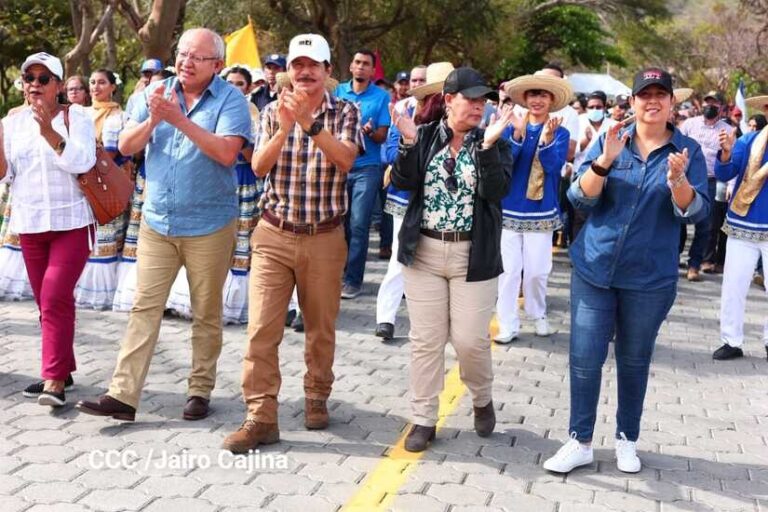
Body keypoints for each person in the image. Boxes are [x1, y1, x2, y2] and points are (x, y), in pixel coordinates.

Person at [76, 28, 251, 422]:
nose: (186, 61)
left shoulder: (231, 99)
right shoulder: (153, 93)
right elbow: (126, 147)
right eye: (182, 53)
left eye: (197, 57)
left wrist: (178, 119)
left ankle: (199, 389)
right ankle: (123, 395)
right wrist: (156, 118)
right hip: (158, 220)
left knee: (205, 312)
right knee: (144, 307)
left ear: (217, 65)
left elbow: (227, 153)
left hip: (210, 224)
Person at [543, 68, 710, 474]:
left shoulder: (687, 150)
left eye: (660, 95)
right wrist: (604, 160)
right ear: (632, 101)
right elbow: (578, 199)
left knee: (634, 360)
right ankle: (580, 441)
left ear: (672, 103)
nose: (652, 101)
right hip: (594, 268)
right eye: (644, 95)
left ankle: (626, 439)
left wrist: (678, 181)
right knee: (584, 358)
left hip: (649, 279)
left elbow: (696, 211)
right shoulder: (612, 138)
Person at [221, 33, 362, 454]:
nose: (303, 72)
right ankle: (261, 417)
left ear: (327, 72)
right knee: (261, 329)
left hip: (324, 237)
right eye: (297, 65)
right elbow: (259, 166)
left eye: (312, 65)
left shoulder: (346, 112)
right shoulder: (270, 111)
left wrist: (310, 124)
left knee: (320, 329)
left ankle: (317, 395)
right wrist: (284, 127)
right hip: (273, 234)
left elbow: (346, 160)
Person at [391, 67, 513, 452]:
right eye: (471, 99)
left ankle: (481, 397)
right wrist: (408, 143)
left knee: (469, 341)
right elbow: (402, 182)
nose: (478, 107)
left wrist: (490, 148)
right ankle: (423, 419)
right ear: (448, 100)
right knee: (425, 341)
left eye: (483, 101)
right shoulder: (424, 136)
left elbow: (497, 191)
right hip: (424, 252)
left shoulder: (493, 141)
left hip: (472, 257)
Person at [1, 52, 97, 406]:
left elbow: (82, 161)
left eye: (44, 79)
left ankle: (53, 380)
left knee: (55, 297)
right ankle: (65, 367)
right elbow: (6, 175)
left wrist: (47, 130)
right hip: (30, 223)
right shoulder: (11, 123)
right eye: (30, 78)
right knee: (47, 302)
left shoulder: (79, 116)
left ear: (58, 85)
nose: (36, 85)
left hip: (71, 222)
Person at [374, 63, 454, 341]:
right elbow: (389, 153)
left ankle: (436, 323)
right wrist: (413, 140)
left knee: (437, 260)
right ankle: (385, 317)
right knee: (400, 257)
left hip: (442, 200)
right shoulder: (404, 111)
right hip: (406, 195)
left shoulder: (462, 117)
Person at [494, 73, 572, 343]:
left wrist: (548, 140)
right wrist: (516, 133)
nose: (537, 100)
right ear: (524, 99)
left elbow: (554, 167)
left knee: (538, 270)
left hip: (541, 209)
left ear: (551, 100)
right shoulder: (511, 127)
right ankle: (507, 323)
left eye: (543, 95)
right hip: (509, 209)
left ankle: (537, 313)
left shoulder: (561, 132)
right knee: (508, 271)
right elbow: (505, 162)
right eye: (532, 95)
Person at [711, 94, 768, 361]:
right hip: (742, 225)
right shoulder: (748, 140)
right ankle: (731, 341)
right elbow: (724, 174)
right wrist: (725, 152)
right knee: (734, 286)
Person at [334, 49, 391, 299]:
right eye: (356, 62)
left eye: (365, 64)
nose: (360, 67)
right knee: (339, 224)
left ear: (372, 70)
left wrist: (368, 131)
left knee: (358, 224)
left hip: (367, 168)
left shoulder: (381, 97)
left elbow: (383, 136)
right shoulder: (338, 93)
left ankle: (353, 280)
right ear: (350, 67)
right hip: (339, 166)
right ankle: (337, 273)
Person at [74, 69, 132, 310]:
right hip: (82, 180)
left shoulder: (117, 115)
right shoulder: (81, 113)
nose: (96, 87)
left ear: (112, 87)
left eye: (101, 83)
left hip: (106, 181)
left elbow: (113, 152)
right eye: (93, 82)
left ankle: (102, 291)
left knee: (105, 236)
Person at [679, 90, 733, 281]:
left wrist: (730, 184)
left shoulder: (727, 130)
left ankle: (694, 265)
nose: (710, 106)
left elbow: (730, 158)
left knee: (705, 225)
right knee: (678, 221)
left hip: (710, 180)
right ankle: (673, 259)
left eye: (714, 104)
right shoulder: (689, 124)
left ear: (722, 108)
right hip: (684, 178)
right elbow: (676, 146)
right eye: (707, 102)